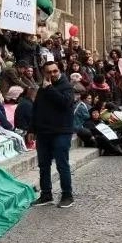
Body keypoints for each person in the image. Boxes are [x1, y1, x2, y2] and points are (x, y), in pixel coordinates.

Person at [30, 61, 76, 208]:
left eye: (55, 71)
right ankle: (46, 194)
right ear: (44, 73)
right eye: (49, 72)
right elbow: (36, 109)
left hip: (61, 132)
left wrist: (49, 88)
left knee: (62, 164)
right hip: (44, 132)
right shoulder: (43, 89)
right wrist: (31, 129)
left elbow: (64, 103)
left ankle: (67, 195)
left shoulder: (67, 86)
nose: (52, 74)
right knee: (43, 165)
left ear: (59, 71)